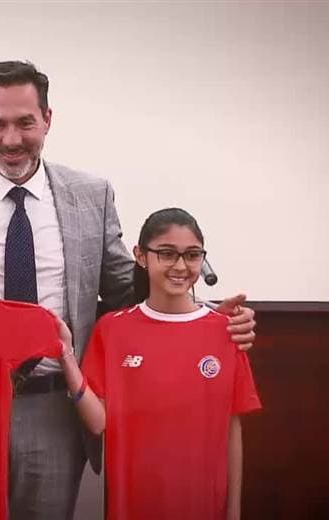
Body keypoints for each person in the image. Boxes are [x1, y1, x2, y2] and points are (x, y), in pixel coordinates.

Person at [0, 60, 257, 519]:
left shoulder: (92, 194)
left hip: (56, 410)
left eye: (25, 122)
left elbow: (126, 291)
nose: (11, 139)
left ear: (48, 119)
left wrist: (203, 316)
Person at [58, 208, 262, 520]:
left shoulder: (226, 332)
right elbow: (98, 422)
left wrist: (233, 511)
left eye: (192, 255)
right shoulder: (113, 329)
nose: (180, 266)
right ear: (141, 256)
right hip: (132, 504)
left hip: (202, 504)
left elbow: (231, 431)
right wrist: (66, 356)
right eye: (166, 254)